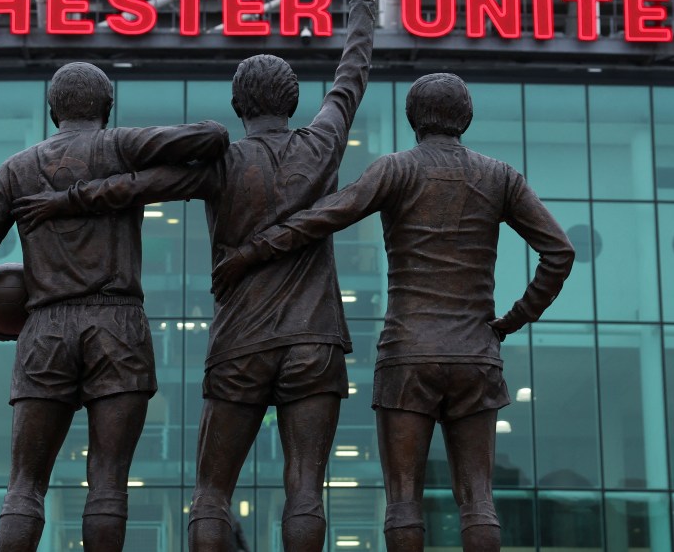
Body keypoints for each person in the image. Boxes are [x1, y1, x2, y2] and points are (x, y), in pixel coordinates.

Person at [11, 0, 378, 552]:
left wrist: (63, 200)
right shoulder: (323, 144)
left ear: (236, 104)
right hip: (316, 340)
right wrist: (363, 4)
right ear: (292, 101)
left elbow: (136, 187)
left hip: (239, 343)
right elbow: (352, 73)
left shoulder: (222, 164)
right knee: (306, 489)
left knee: (211, 495)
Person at [211, 73, 575, 552]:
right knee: (478, 500)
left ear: (412, 120)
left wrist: (252, 251)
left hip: (407, 353)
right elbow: (560, 252)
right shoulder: (499, 176)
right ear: (466, 118)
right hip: (475, 352)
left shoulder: (396, 169)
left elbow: (324, 216)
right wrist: (514, 318)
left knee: (403, 501)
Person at [0, 62, 228, 552]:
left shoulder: (17, 169)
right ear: (107, 107)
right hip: (117, 323)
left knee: (24, 483)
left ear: (52, 111)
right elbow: (212, 137)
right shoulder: (120, 146)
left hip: (45, 327)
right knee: (108, 481)